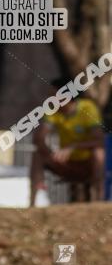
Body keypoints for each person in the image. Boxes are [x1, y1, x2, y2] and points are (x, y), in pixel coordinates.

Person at [31, 77, 106, 206]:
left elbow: (99, 141)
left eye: (53, 96)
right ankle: (32, 202)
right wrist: (49, 153)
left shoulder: (88, 108)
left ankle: (98, 202)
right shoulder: (52, 111)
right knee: (38, 155)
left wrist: (73, 147)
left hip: (87, 163)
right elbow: (39, 138)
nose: (50, 100)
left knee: (98, 153)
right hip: (66, 163)